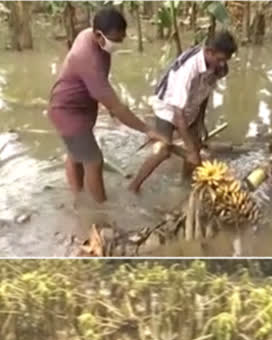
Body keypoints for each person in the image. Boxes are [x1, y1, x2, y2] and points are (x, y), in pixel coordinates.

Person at [48, 6, 168, 203]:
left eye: (121, 39)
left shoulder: (89, 36)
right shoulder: (87, 59)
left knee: (76, 153)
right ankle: (100, 209)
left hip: (78, 106)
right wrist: (147, 129)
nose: (118, 44)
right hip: (68, 112)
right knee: (94, 161)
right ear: (98, 34)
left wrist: (106, 100)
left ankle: (78, 197)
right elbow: (117, 107)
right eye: (115, 40)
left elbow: (102, 89)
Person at [129, 31, 238, 194]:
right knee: (164, 149)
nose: (223, 64)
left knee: (197, 144)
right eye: (220, 59)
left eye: (225, 60)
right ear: (208, 52)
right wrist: (190, 150)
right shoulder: (188, 70)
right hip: (168, 105)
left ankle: (185, 183)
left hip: (190, 104)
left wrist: (200, 123)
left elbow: (204, 94)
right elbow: (178, 115)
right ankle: (133, 186)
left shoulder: (217, 67)